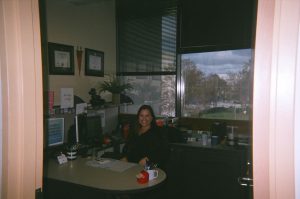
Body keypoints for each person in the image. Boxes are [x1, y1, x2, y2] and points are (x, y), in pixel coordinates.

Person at [121, 105, 169, 169]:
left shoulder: (157, 133)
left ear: (151, 118)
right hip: (132, 167)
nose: (144, 119)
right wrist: (125, 157)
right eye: (141, 116)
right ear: (138, 117)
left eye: (147, 116)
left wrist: (149, 160)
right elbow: (127, 148)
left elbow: (164, 153)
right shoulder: (134, 131)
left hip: (148, 168)